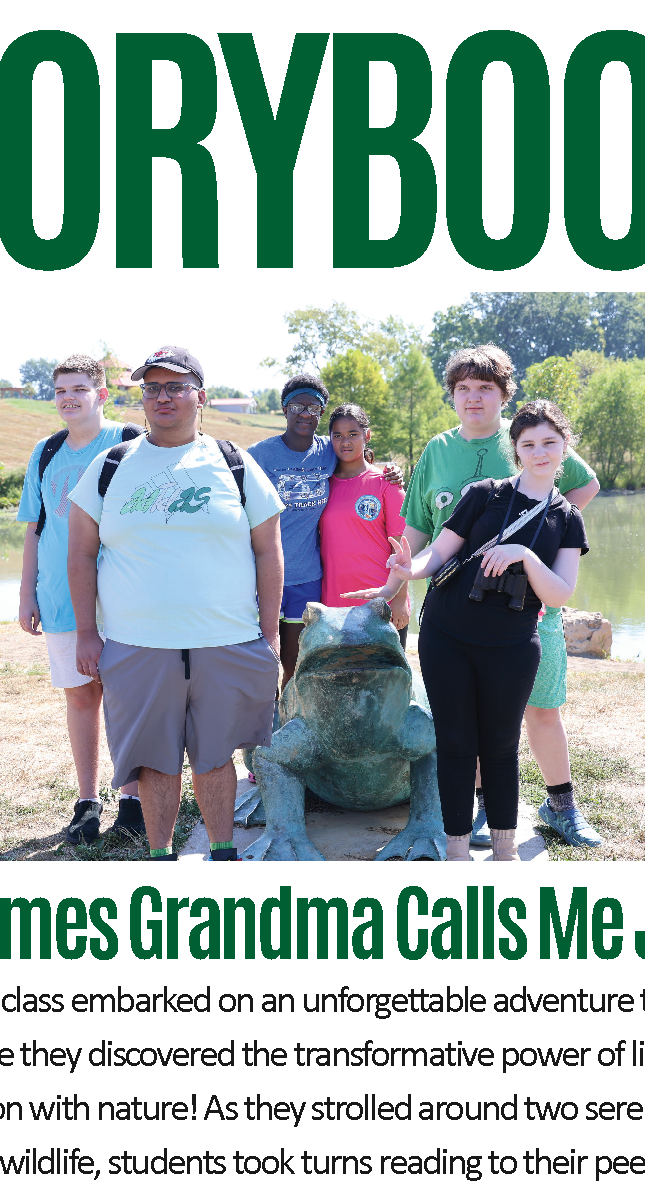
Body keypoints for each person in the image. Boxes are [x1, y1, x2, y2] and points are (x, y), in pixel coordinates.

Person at [68, 345, 285, 862]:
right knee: (153, 761)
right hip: (138, 643)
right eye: (152, 388)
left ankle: (224, 855)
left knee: (216, 757)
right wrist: (86, 632)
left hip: (226, 639)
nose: (162, 397)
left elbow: (269, 549)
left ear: (200, 397)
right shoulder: (111, 465)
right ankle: (161, 860)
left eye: (175, 387)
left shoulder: (234, 463)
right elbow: (79, 553)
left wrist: (270, 632)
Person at [401, 346, 604, 850]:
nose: (539, 451)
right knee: (463, 733)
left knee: (530, 718)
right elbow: (428, 541)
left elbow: (581, 499)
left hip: (527, 622)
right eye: (463, 389)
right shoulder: (456, 466)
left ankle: (557, 809)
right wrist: (403, 575)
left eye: (485, 388)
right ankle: (472, 823)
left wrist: (534, 546)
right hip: (455, 617)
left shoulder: (553, 485)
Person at [16, 355, 143, 847]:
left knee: (127, 698)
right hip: (59, 597)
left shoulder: (128, 442)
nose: (68, 398)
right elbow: (35, 527)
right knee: (81, 696)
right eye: (60, 390)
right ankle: (87, 802)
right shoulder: (45, 452)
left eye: (79, 389)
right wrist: (27, 592)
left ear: (101, 395)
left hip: (122, 595)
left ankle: (132, 801)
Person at [248, 373, 337, 683]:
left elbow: (360, 462)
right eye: (298, 406)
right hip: (261, 576)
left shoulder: (330, 451)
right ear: (285, 409)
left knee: (295, 664)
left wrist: (390, 472)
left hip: (307, 578)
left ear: (322, 412)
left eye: (314, 408)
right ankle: (261, 712)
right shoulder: (259, 455)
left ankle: (289, 712)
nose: (305, 414)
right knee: (261, 662)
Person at [320, 404, 408, 632]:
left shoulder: (386, 483)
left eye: (353, 434)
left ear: (367, 435)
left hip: (380, 601)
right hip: (334, 603)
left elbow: (402, 548)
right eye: (337, 436)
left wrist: (399, 599)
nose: (345, 442)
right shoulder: (321, 486)